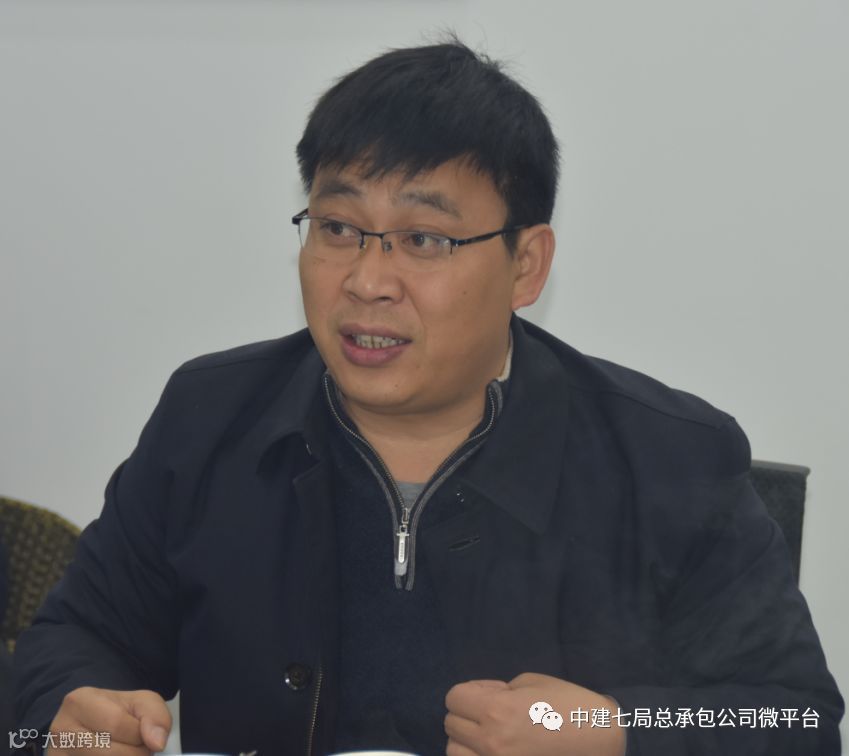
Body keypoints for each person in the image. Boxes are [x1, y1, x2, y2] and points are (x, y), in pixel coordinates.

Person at [14, 39, 843, 756]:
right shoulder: (210, 418)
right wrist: (69, 717)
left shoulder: (668, 459)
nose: (367, 281)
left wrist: (614, 729)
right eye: (338, 228)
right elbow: (72, 640)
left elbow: (797, 721)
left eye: (423, 239)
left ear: (526, 265)